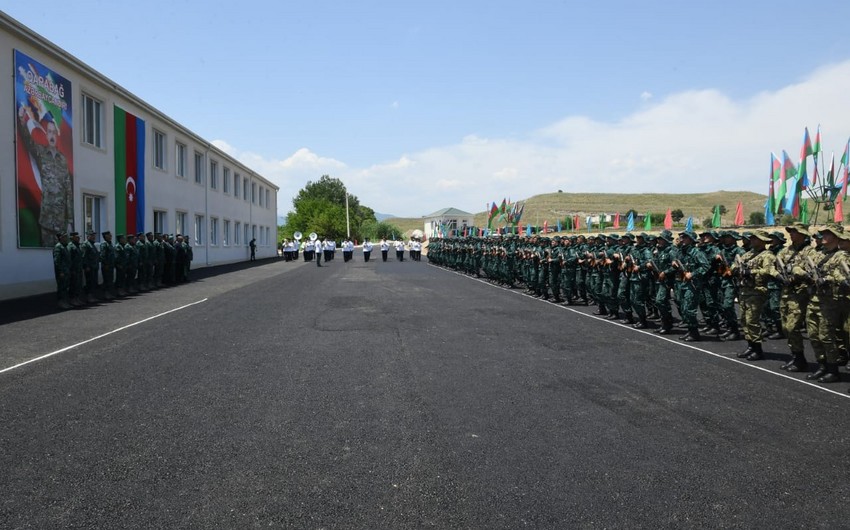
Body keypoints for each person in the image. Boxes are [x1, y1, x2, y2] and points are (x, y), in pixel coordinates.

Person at [17, 104, 73, 247]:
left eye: (54, 132)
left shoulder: (63, 160)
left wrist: (70, 221)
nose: (52, 135)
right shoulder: (41, 152)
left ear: (57, 134)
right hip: (47, 220)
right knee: (48, 253)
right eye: (49, 132)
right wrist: (22, 121)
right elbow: (28, 141)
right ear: (46, 135)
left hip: (61, 222)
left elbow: (68, 190)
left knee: (62, 255)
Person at [53, 232, 71, 309]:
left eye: (66, 237)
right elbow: (57, 261)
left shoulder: (64, 247)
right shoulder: (58, 247)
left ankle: (65, 301)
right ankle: (61, 302)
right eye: (64, 237)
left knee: (65, 287)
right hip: (62, 272)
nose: (66, 238)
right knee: (61, 287)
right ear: (60, 238)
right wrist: (60, 271)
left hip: (66, 270)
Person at [81, 230, 100, 303]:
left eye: (94, 235)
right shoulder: (85, 244)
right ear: (88, 236)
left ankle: (92, 296)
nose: (93, 237)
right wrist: (86, 266)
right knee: (89, 282)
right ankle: (89, 296)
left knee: (93, 282)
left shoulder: (92, 244)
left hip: (94, 267)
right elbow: (84, 257)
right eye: (92, 235)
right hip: (89, 267)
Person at [99, 231, 116, 299]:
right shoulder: (104, 244)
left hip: (111, 265)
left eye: (110, 235)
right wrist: (106, 264)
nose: (110, 236)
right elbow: (103, 256)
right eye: (109, 235)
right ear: (105, 236)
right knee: (106, 280)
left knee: (110, 280)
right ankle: (105, 293)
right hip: (106, 266)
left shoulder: (110, 244)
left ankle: (109, 293)